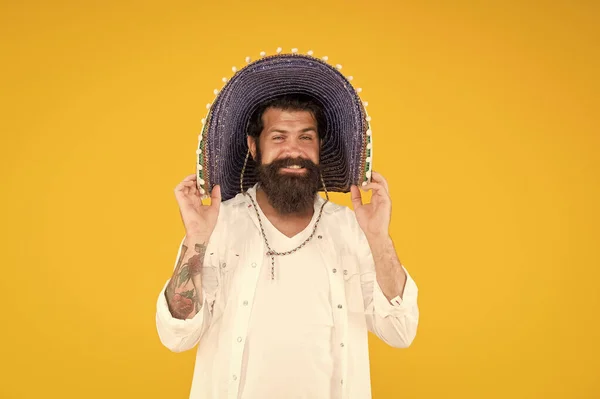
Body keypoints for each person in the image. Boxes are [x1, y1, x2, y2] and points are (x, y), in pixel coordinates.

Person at [156, 51, 419, 399]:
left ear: (319, 147)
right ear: (254, 147)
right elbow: (177, 335)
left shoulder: (352, 228)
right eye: (278, 137)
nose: (293, 151)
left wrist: (378, 237)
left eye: (306, 137)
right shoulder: (217, 226)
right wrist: (196, 239)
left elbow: (400, 330)